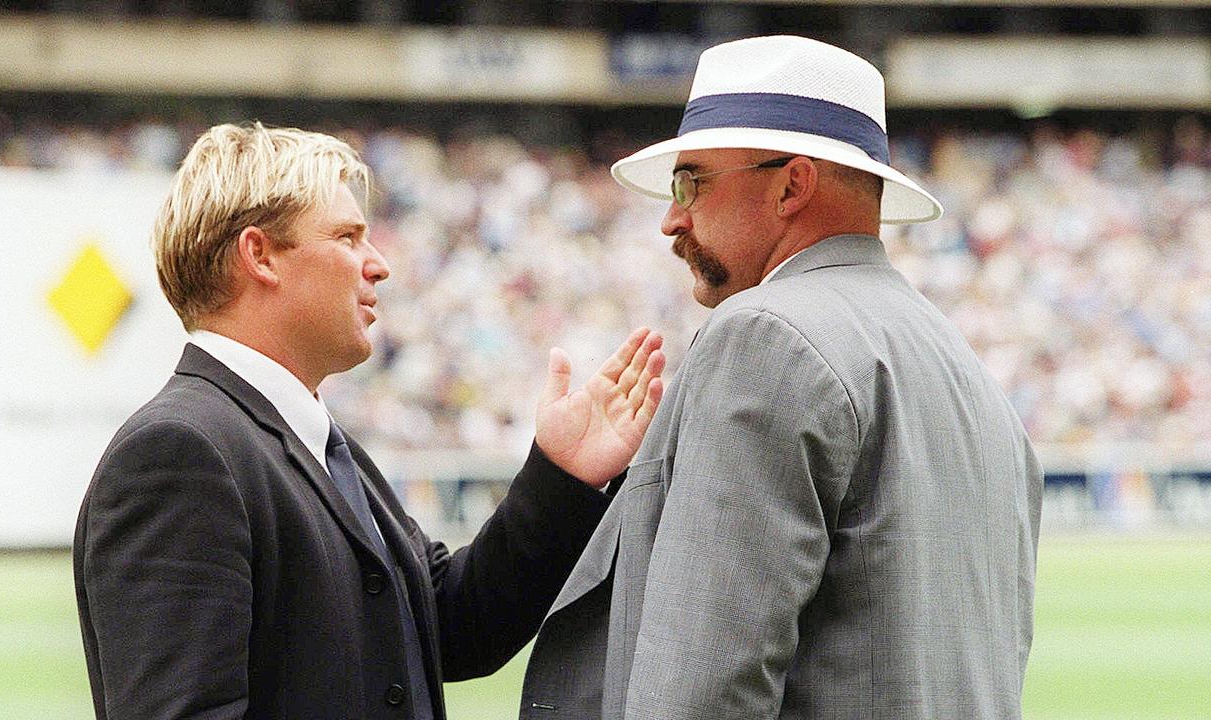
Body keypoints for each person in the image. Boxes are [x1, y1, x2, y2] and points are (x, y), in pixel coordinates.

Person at [521, 36, 1042, 720]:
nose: (671, 218)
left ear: (793, 185)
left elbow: (702, 692)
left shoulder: (767, 337)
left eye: (691, 181)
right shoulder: (966, 373)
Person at [73, 122, 666, 720]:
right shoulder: (180, 452)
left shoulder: (313, 441)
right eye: (348, 237)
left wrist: (562, 477)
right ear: (260, 256)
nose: (379, 264)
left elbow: (450, 626)